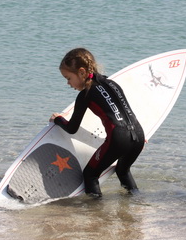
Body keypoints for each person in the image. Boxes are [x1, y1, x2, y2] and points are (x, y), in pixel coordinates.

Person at [49, 48, 145, 198]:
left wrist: (58, 119)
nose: (68, 83)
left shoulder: (85, 94)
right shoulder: (111, 83)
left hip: (118, 138)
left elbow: (72, 128)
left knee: (90, 175)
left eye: (68, 78)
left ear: (81, 72)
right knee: (122, 170)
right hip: (139, 136)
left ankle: (96, 215)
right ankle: (137, 201)